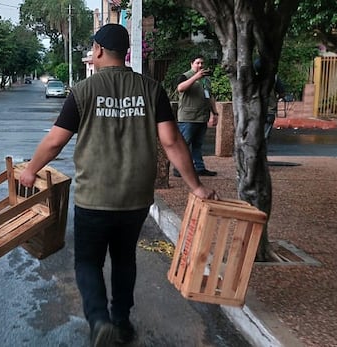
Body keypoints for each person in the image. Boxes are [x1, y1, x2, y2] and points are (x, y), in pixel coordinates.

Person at [18, 24, 218, 347]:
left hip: (94, 197)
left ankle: (99, 322)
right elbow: (170, 141)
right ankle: (122, 323)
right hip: (136, 199)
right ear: (125, 52)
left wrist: (30, 171)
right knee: (125, 259)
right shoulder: (151, 89)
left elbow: (55, 142)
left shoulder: (82, 91)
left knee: (88, 262)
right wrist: (196, 187)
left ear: (97, 50)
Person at [173, 55, 218, 177]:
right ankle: (178, 168)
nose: (200, 65)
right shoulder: (185, 76)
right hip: (188, 118)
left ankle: (199, 167)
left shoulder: (206, 79)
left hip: (202, 116)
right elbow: (180, 88)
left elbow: (210, 96)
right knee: (184, 143)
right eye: (197, 63)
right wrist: (195, 77)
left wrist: (215, 113)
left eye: (202, 63)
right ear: (191, 64)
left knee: (198, 144)